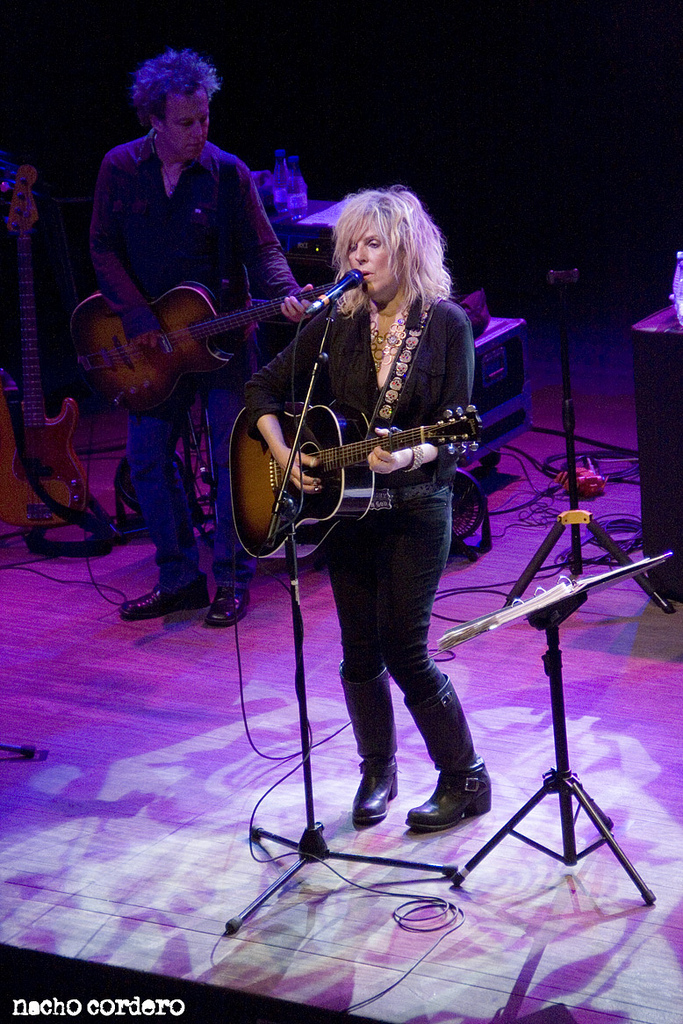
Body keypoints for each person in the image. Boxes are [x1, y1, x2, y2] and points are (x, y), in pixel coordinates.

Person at [244, 186, 491, 832]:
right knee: (358, 652)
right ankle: (377, 770)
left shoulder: (446, 324)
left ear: (404, 249)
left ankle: (466, 777)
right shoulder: (337, 322)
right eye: (351, 244)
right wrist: (285, 452)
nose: (358, 255)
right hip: (347, 514)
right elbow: (261, 387)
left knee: (404, 650)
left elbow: (454, 434)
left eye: (372, 243)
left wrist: (406, 455)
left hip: (416, 508)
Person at [90, 48, 309, 626]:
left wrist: (287, 293)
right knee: (145, 459)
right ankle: (179, 578)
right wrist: (138, 319)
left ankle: (232, 580)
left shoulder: (228, 172)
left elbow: (263, 248)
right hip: (151, 347)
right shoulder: (119, 167)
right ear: (154, 120)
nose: (199, 131)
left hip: (222, 340)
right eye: (186, 122)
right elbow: (103, 248)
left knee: (230, 456)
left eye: (205, 117)